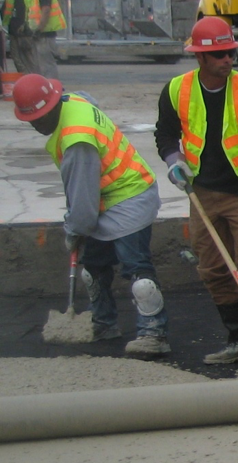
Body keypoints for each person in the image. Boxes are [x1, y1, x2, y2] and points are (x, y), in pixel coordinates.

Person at [155, 16, 238, 364]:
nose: (228, 59)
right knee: (213, 268)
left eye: (230, 52)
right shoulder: (176, 90)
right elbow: (165, 133)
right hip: (202, 195)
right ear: (200, 58)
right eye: (219, 55)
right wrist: (173, 160)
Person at [13, 74, 171, 357]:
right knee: (93, 269)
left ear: (52, 107)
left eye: (39, 118)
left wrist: (73, 231)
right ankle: (103, 323)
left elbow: (84, 206)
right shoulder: (74, 100)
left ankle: (153, 333)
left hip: (130, 195)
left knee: (138, 272)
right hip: (107, 198)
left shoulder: (77, 140)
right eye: (31, 119)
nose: (36, 124)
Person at [20, 0, 64, 79]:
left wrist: (39, 29)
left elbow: (46, 11)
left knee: (46, 65)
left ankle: (51, 88)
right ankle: (47, 88)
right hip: (42, 34)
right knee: (41, 65)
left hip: (45, 34)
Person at [2, 0, 27, 72]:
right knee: (17, 59)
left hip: (26, 33)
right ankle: (24, 80)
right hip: (13, 32)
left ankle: (31, 80)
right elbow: (4, 9)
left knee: (28, 60)